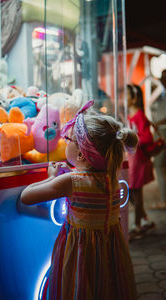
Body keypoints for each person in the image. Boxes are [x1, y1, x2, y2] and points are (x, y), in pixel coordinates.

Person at [20, 100, 138, 300]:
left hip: (81, 254)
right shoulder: (110, 178)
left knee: (80, 289)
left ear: (82, 154)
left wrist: (50, 178)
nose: (65, 140)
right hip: (111, 252)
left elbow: (26, 197)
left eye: (69, 139)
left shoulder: (71, 181)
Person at [127, 84, 156, 240]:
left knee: (137, 194)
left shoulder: (139, 116)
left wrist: (132, 138)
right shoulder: (130, 116)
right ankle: (145, 220)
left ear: (134, 98)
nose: (124, 98)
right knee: (134, 193)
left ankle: (137, 225)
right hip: (133, 160)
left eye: (126, 95)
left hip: (139, 161)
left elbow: (147, 137)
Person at [150, 69, 166, 209]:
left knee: (159, 166)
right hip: (161, 134)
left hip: (163, 134)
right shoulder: (162, 95)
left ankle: (164, 200)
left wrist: (158, 124)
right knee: (160, 166)